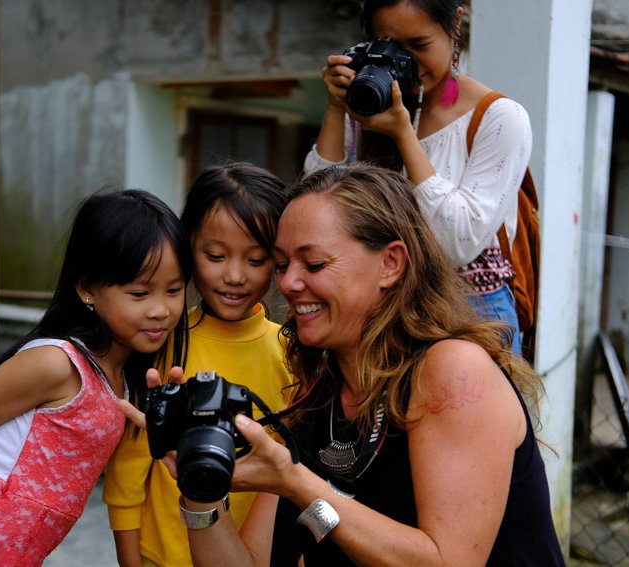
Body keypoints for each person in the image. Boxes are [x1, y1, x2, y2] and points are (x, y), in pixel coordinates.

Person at [124, 164, 564, 565]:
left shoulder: (452, 370)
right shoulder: (316, 398)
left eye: (313, 263)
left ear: (390, 263)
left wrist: (298, 483)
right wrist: (201, 488)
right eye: (281, 264)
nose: (289, 283)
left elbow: (446, 560)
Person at [0, 189, 192, 567]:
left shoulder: (126, 380)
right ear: (86, 289)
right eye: (140, 293)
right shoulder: (56, 363)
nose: (160, 310)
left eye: (174, 290)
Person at [303, 0, 532, 356]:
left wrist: (403, 135)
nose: (405, 60)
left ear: (455, 25)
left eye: (418, 45)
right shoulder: (371, 102)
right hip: (378, 315)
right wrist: (336, 107)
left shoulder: (499, 118)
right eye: (388, 45)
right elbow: (318, 209)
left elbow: (455, 244)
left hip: (469, 316)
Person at [103, 162, 294, 567]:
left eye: (257, 260)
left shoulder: (290, 355)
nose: (235, 276)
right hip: (160, 555)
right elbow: (129, 466)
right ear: (189, 247)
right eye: (215, 255)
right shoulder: (161, 344)